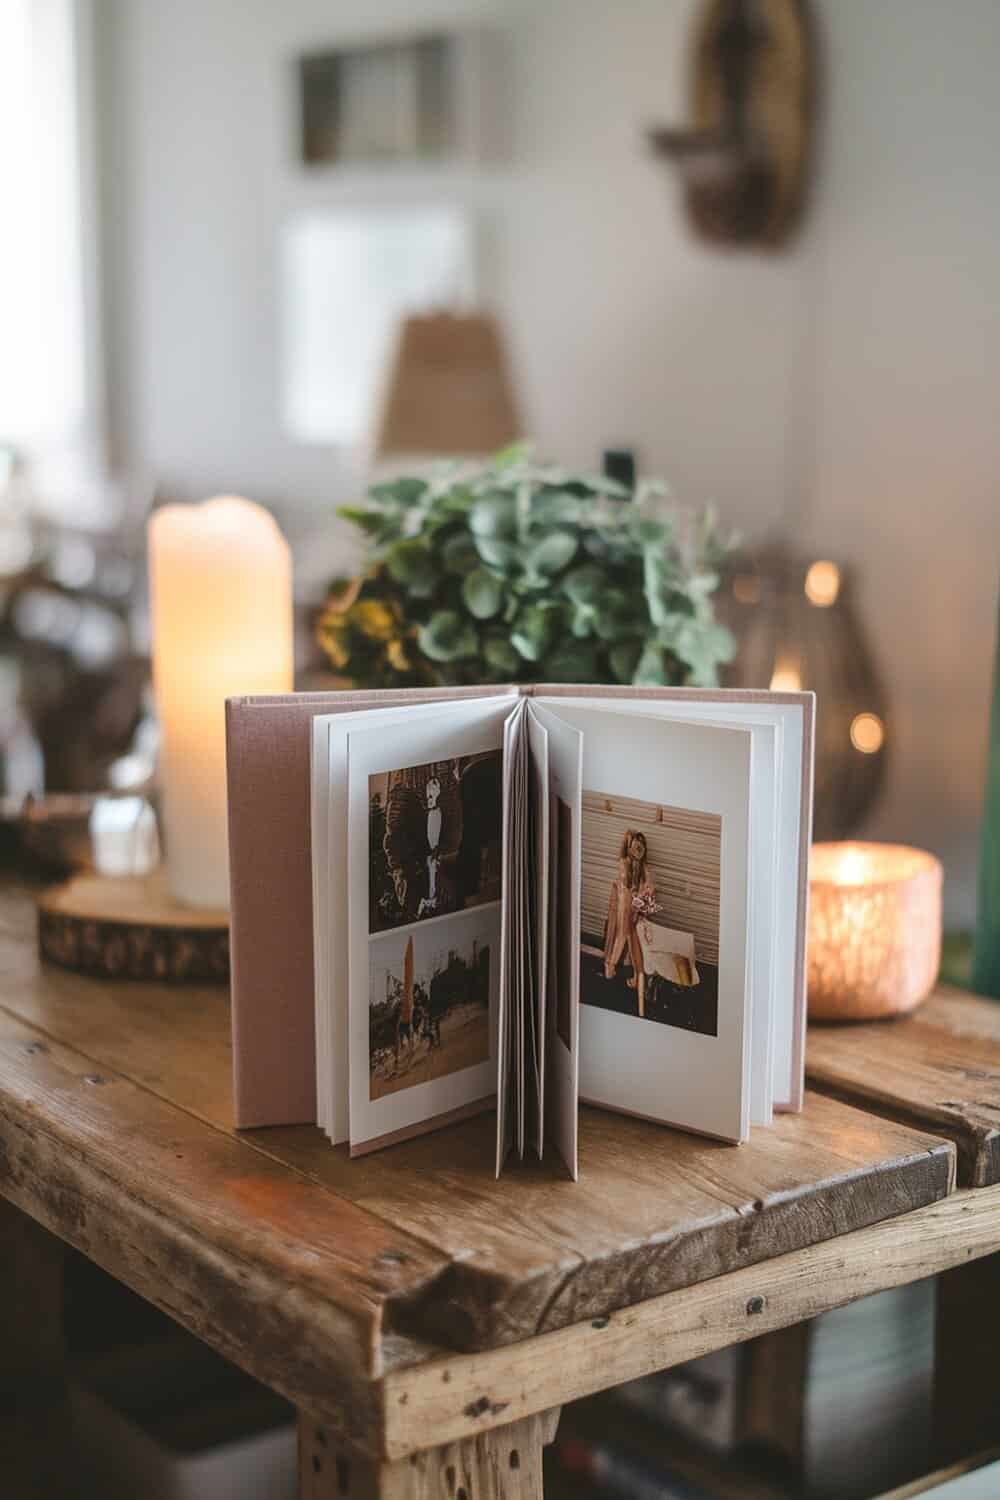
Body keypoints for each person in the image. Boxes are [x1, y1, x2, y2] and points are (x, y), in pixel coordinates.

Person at [603, 829, 655, 1018]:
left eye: (642, 846)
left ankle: (634, 975)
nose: (639, 850)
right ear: (630, 847)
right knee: (623, 935)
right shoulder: (624, 862)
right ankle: (610, 965)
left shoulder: (644, 867)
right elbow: (624, 882)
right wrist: (636, 894)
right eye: (635, 846)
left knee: (635, 939)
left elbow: (649, 885)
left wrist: (645, 892)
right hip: (625, 904)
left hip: (636, 905)